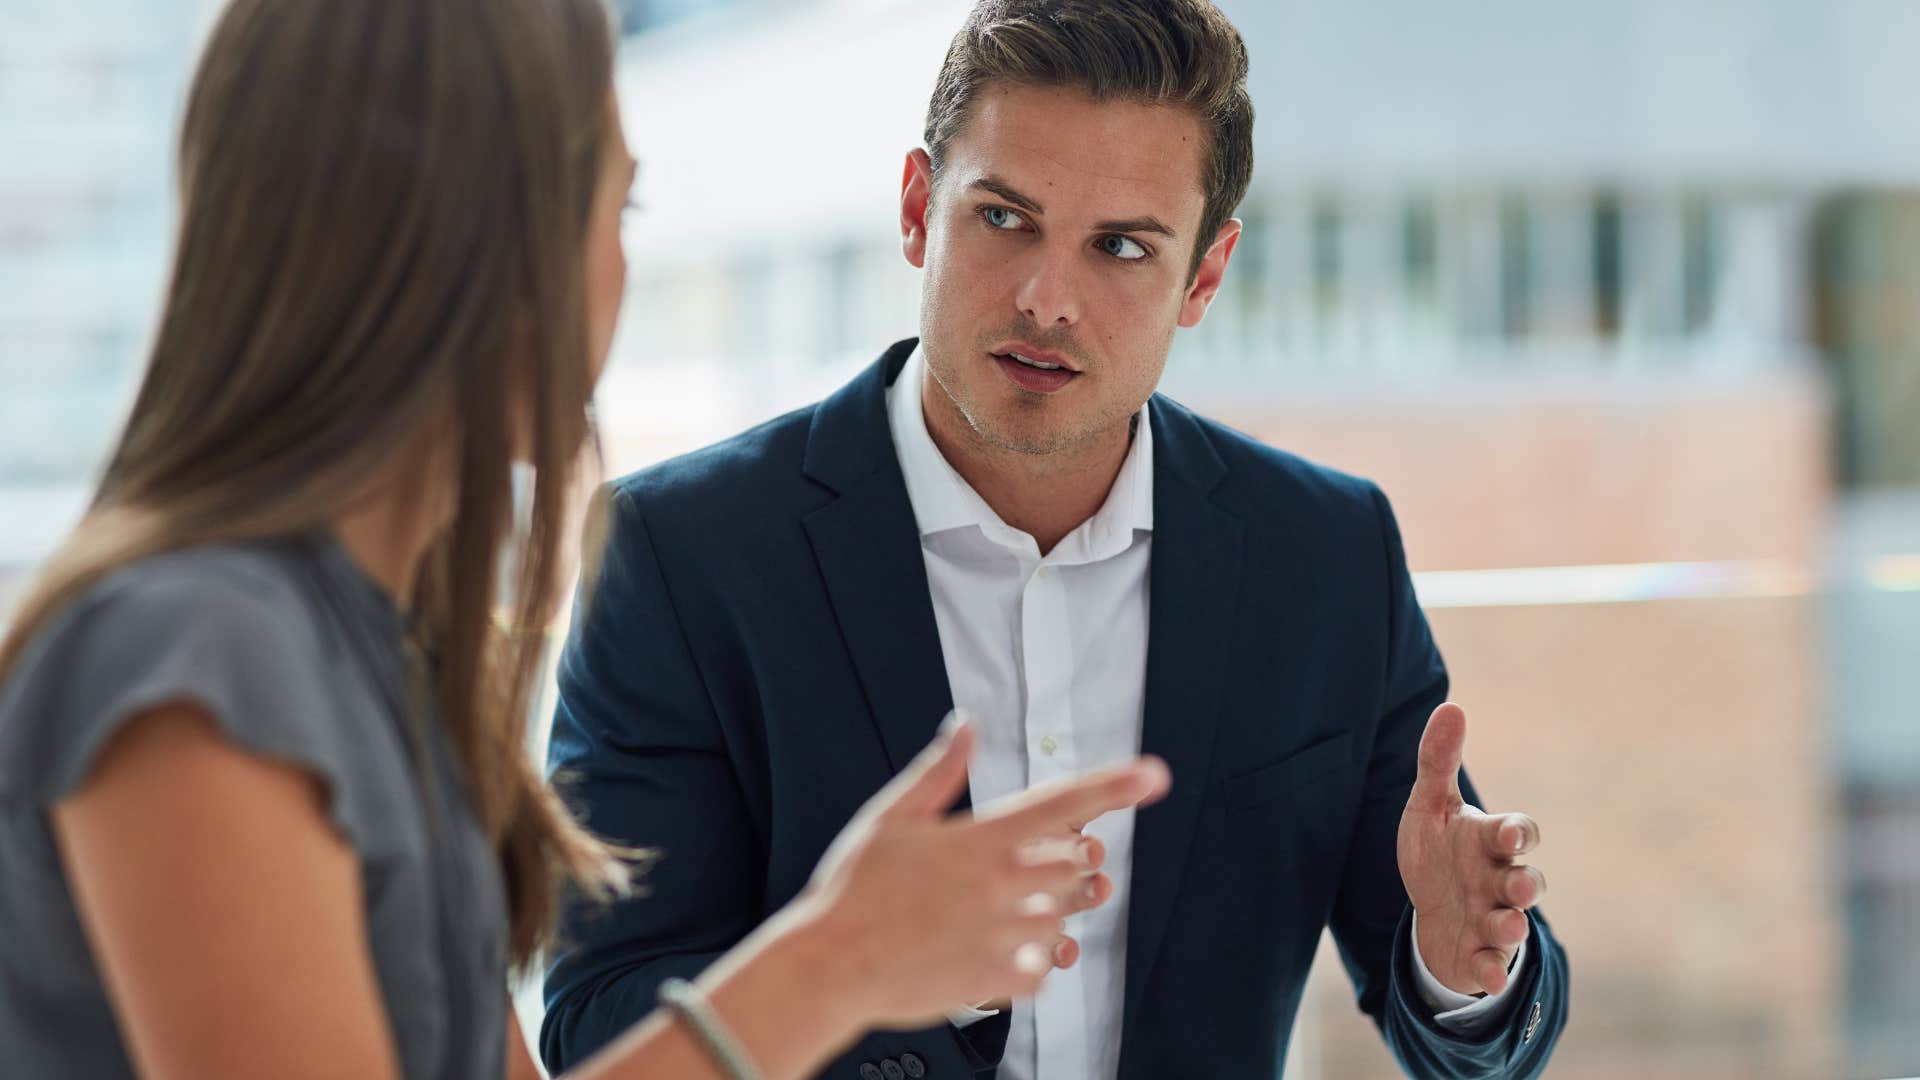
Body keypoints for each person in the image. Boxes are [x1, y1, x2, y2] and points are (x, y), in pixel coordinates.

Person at [0, 1, 1175, 1078]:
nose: (619, 266)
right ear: (464, 242)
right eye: (616, 208)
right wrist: (836, 963)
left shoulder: (372, 656)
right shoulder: (196, 657)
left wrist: (853, 955)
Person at [541, 1, 1570, 1078]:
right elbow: (597, 1029)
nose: (1047, 300)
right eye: (1003, 220)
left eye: (1121, 247)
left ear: (1204, 278)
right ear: (915, 209)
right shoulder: (676, 556)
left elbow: (1464, 1033)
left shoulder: (1323, 557)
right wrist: (866, 964)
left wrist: (1462, 972)